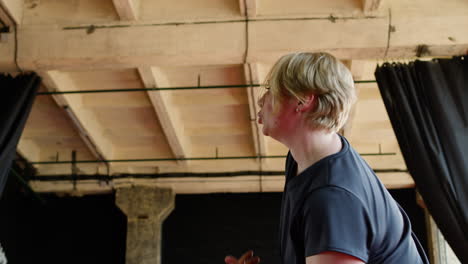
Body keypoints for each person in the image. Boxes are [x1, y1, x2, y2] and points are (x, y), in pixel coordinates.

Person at [224, 52, 429, 264]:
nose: (261, 100)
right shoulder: (303, 160)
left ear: (303, 100)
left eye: (270, 90)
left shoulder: (332, 197)